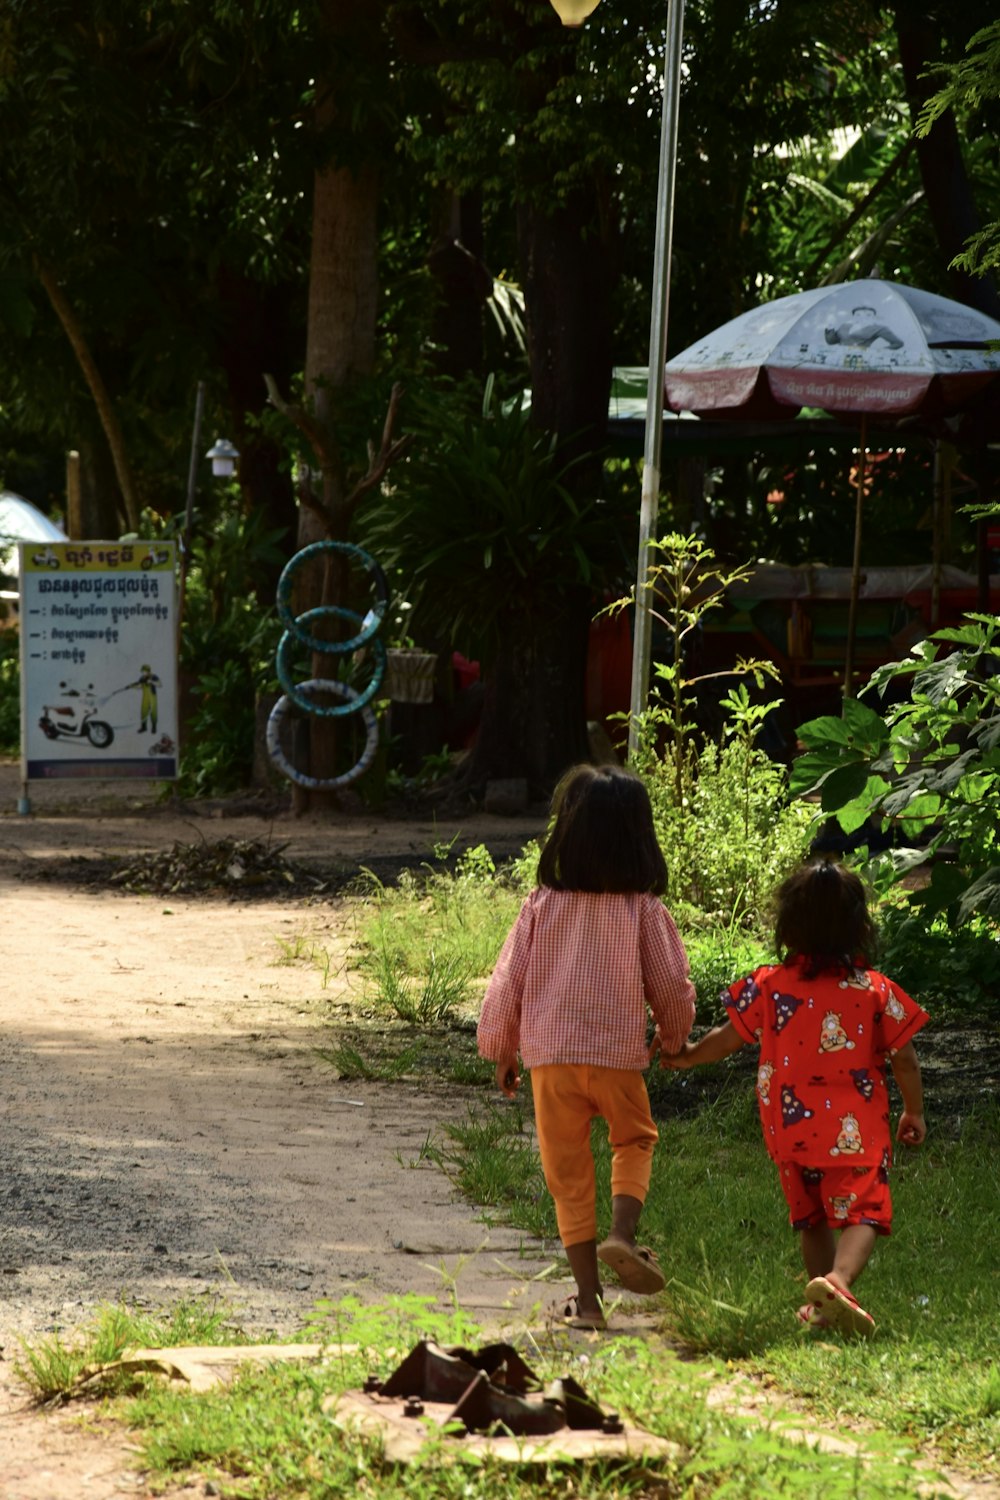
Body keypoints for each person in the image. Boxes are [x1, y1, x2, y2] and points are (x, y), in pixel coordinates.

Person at [655, 858, 927, 1337]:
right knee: (864, 1209)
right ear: (859, 927)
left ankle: (821, 1303)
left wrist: (691, 1055)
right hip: (855, 1132)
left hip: (790, 1130)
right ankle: (839, 1281)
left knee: (812, 1218)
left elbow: (729, 1037)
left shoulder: (770, 986)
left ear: (788, 926)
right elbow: (904, 1058)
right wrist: (914, 1109)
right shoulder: (874, 991)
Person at [477, 763, 696, 1331]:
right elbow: (671, 983)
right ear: (640, 838)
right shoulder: (642, 909)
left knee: (568, 1175)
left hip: (550, 1060)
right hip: (618, 1056)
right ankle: (623, 1236)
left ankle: (589, 1302)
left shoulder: (540, 906)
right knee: (634, 1139)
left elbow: (507, 982)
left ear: (564, 835)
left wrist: (503, 1047)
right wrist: (673, 1037)